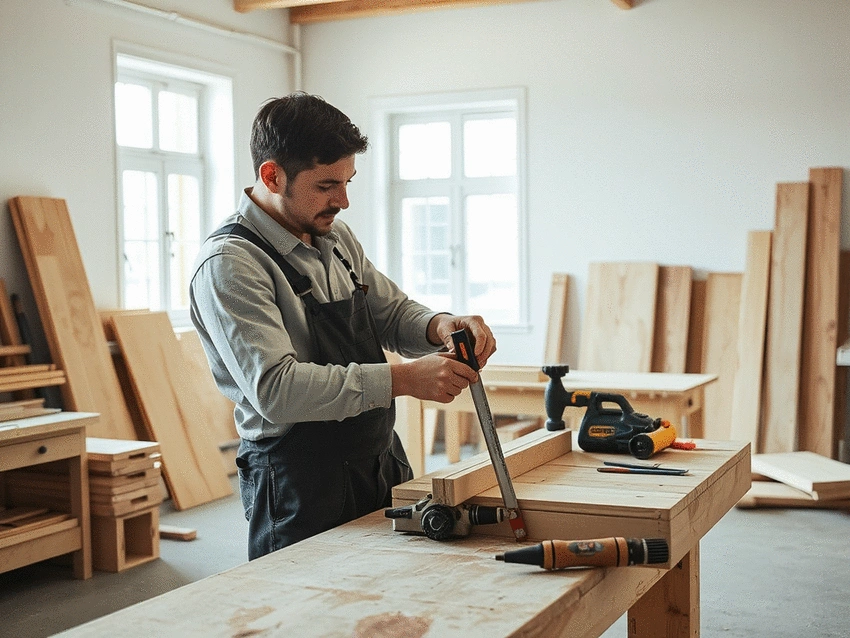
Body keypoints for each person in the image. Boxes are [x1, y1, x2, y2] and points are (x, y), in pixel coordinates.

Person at [189, 92, 497, 560]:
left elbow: (390, 313)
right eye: (327, 184)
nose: (344, 200)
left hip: (376, 456)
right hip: (299, 477)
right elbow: (277, 389)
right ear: (272, 175)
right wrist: (405, 379)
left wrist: (440, 325)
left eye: (349, 181)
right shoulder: (231, 264)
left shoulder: (333, 236)